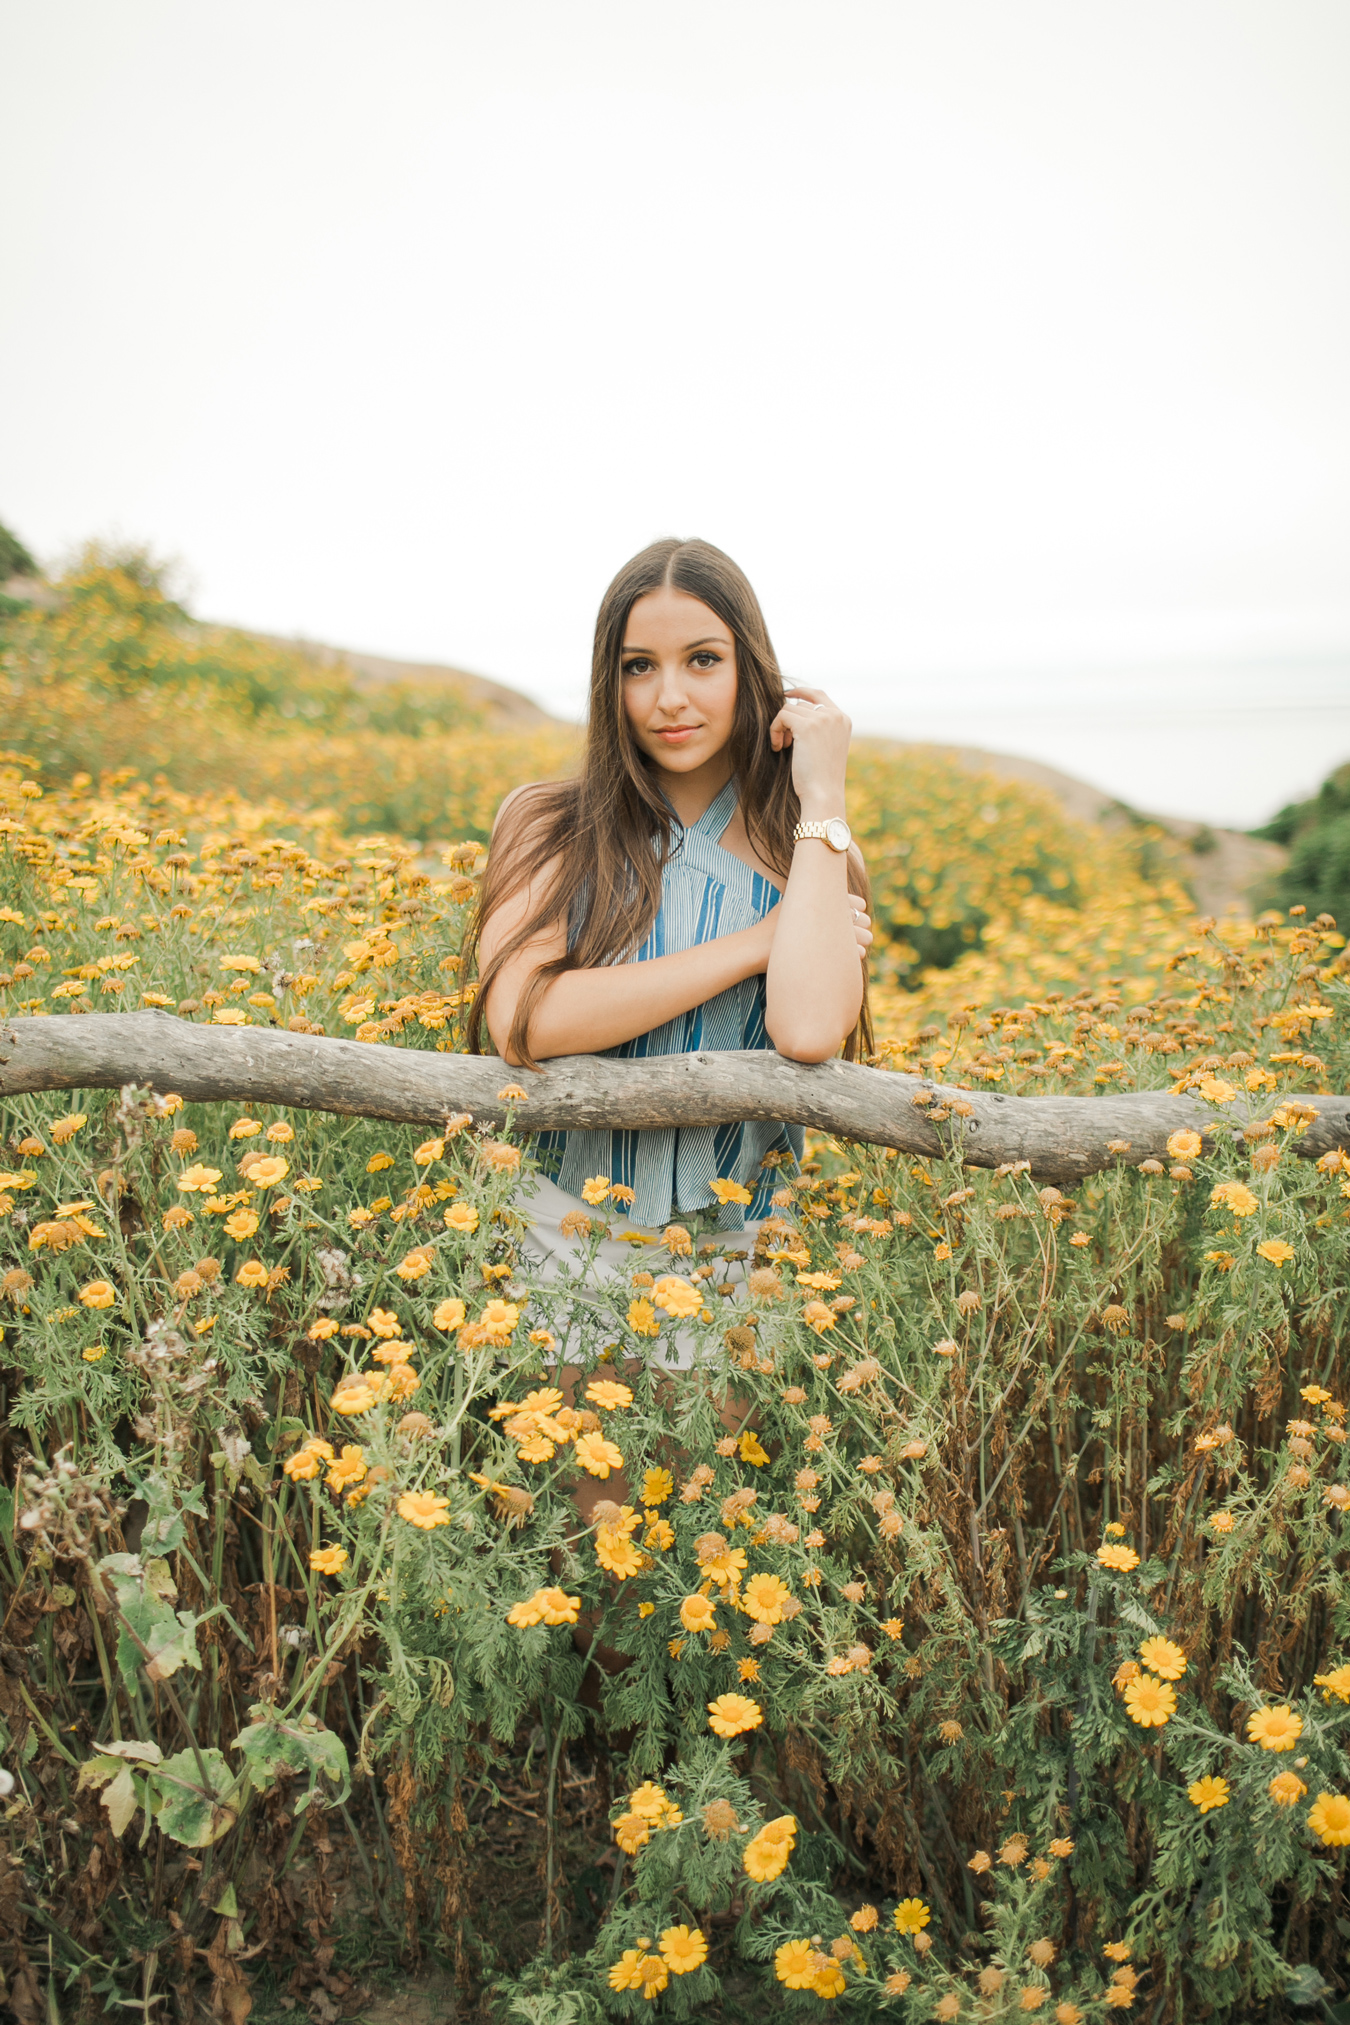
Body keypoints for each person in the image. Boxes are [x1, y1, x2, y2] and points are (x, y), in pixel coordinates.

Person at [466, 536, 872, 1322]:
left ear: (750, 669)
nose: (670, 698)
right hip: (562, 1236)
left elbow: (812, 1028)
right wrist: (757, 943)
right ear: (608, 680)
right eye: (638, 666)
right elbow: (523, 1018)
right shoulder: (546, 824)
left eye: (703, 660)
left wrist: (823, 795)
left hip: (745, 1257)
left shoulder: (811, 847)